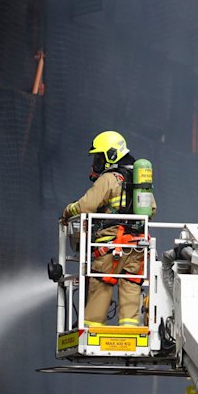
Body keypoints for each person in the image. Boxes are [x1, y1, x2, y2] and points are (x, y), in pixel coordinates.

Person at [61, 130, 156, 327]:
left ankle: (91, 329)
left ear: (111, 155)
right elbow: (152, 209)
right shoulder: (139, 181)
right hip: (137, 246)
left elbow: (86, 205)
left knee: (102, 284)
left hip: (110, 246)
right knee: (131, 285)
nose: (96, 162)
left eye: (99, 156)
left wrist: (68, 211)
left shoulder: (110, 178)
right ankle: (129, 329)